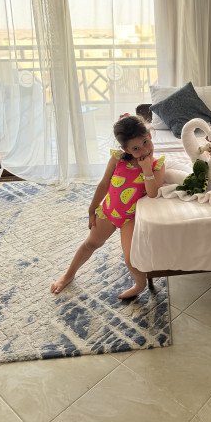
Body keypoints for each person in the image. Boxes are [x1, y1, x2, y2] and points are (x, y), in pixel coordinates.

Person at [50, 114, 165, 299]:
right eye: (136, 148)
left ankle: (140, 284)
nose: (144, 150)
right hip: (109, 211)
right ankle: (68, 275)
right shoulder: (117, 159)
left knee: (130, 258)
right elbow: (104, 185)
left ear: (150, 136)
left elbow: (153, 193)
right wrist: (92, 210)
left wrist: (146, 169)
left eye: (145, 142)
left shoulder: (157, 165)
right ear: (126, 149)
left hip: (131, 218)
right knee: (90, 243)